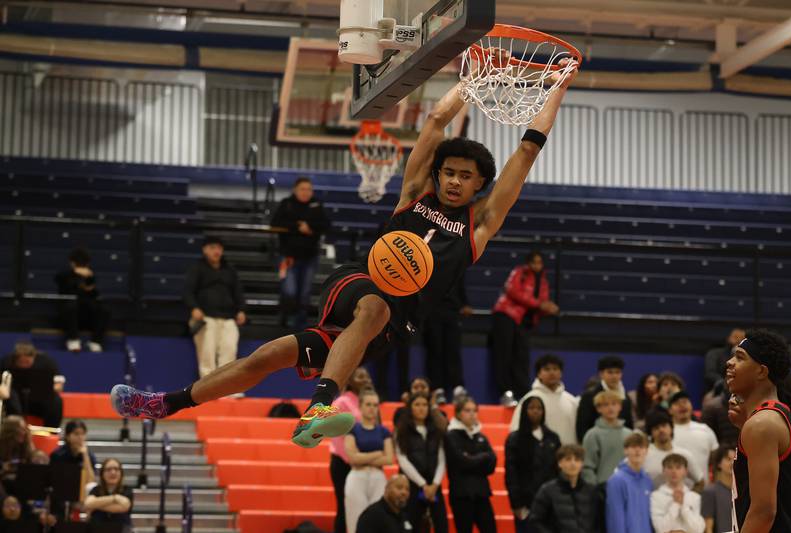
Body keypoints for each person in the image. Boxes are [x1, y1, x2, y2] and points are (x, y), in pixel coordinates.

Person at [110, 63, 580, 450]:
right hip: (358, 284)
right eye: (449, 172)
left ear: (480, 184)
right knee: (374, 305)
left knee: (266, 357)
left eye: (466, 176)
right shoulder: (414, 194)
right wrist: (472, 81)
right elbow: (436, 122)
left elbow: (526, 151)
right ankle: (321, 405)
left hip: (394, 323)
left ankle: (165, 404)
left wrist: (556, 88)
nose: (455, 181)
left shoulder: (479, 226)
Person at [724, 329, 791, 531]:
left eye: (740, 358)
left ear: (761, 371)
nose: (729, 363)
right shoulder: (778, 416)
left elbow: (763, 512)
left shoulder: (762, 424)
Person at [490, 250, 559, 406]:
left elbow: (542, 301)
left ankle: (523, 395)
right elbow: (513, 291)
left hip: (524, 323)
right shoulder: (519, 272)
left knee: (521, 359)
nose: (537, 266)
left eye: (540, 262)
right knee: (504, 355)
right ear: (528, 263)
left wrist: (548, 307)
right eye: (534, 262)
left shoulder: (543, 282)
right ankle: (506, 393)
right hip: (506, 316)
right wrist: (539, 304)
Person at [270, 176, 331, 330]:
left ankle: (300, 326)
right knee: (289, 291)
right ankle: (285, 319)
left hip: (310, 257)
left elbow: (326, 225)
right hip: (288, 256)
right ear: (295, 190)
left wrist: (310, 227)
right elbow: (275, 223)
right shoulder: (287, 204)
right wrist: (297, 226)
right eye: (303, 189)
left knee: (304, 293)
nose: (306, 192)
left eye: (309, 189)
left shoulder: (317, 205)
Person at [183, 236, 247, 379]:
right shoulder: (197, 268)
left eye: (218, 248)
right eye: (212, 248)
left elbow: (237, 291)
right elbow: (188, 291)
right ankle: (207, 391)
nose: (216, 251)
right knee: (207, 355)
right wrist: (194, 308)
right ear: (205, 250)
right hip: (206, 318)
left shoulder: (229, 270)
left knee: (230, 352)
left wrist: (241, 310)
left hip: (228, 318)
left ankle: (229, 389)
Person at [505, 395, 560, 532]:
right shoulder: (515, 439)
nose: (536, 411)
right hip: (526, 503)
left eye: (539, 408)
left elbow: (558, 469)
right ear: (524, 411)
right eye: (531, 408)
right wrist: (516, 504)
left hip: (550, 501)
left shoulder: (552, 438)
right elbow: (511, 473)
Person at [394, 393, 447, 532]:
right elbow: (402, 459)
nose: (421, 408)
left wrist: (434, 484)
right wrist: (422, 484)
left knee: (442, 525)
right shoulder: (401, 430)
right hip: (412, 485)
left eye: (424, 405)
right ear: (410, 408)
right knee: (412, 525)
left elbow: (442, 459)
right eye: (417, 405)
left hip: (434, 486)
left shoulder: (436, 430)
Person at [344, 389, 394, 533]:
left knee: (377, 522)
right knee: (355, 521)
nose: (372, 408)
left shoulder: (384, 431)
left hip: (378, 478)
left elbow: (389, 459)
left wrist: (363, 458)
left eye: (375, 405)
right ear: (360, 406)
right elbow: (352, 458)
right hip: (357, 477)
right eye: (368, 404)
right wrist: (378, 454)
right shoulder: (352, 429)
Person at [444, 396, 497, 533]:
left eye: (474, 410)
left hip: (482, 494)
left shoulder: (481, 436)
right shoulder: (451, 436)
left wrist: (473, 458)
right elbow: (462, 462)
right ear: (458, 413)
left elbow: (491, 464)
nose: (472, 414)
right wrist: (483, 457)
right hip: (462, 495)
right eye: (467, 410)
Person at [330, 367, 372, 533]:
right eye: (360, 376)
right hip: (343, 462)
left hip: (364, 462)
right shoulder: (341, 403)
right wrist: (353, 458)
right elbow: (338, 436)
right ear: (350, 380)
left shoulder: (369, 402)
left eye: (367, 376)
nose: (365, 379)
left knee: (365, 508)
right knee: (344, 506)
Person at [530, 444, 602, 533]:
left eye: (577, 460)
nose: (573, 463)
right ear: (559, 463)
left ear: (582, 464)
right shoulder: (547, 490)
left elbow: (598, 522)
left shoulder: (591, 491)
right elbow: (535, 521)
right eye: (568, 459)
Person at [510, 354, 578, 445]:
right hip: (538, 456)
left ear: (561, 373)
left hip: (567, 456)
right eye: (547, 369)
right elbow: (516, 430)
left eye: (555, 369)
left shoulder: (571, 401)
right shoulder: (528, 400)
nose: (552, 373)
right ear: (539, 374)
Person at [54, 247, 111, 352]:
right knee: (71, 305)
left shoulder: (90, 275)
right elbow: (64, 287)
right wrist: (76, 274)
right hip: (69, 317)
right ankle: (73, 340)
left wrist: (89, 281)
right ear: (72, 263)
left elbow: (94, 294)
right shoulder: (64, 275)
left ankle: (96, 342)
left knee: (104, 309)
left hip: (87, 316)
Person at [423, 277, 469, 404]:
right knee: (434, 351)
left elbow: (459, 283)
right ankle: (437, 389)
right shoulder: (428, 261)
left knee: (453, 350)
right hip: (432, 312)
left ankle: (458, 388)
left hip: (452, 311)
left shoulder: (456, 262)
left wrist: (464, 303)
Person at [0, 342, 63, 428]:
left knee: (56, 400)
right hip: (14, 404)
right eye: (21, 362)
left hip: (38, 403)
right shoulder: (6, 362)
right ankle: (17, 429)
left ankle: (51, 432)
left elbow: (59, 385)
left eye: (27, 362)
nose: (24, 365)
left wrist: (48, 389)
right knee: (11, 394)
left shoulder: (47, 362)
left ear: (34, 357)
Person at [576, 355, 634, 442]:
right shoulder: (589, 396)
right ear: (601, 374)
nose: (614, 376)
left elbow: (629, 424)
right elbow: (582, 427)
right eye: (610, 372)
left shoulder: (626, 397)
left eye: (617, 372)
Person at [581, 390, 632, 485]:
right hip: (603, 488)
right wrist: (596, 489)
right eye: (605, 405)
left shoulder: (629, 434)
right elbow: (587, 467)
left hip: (627, 486)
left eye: (614, 404)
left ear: (620, 407)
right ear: (598, 409)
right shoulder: (592, 435)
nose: (610, 408)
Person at [605, 432, 653, 533]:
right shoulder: (616, 480)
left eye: (641, 446)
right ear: (626, 450)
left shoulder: (647, 480)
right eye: (633, 446)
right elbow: (615, 518)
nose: (637, 450)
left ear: (647, 451)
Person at [643, 410, 703, 490]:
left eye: (664, 426)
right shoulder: (643, 455)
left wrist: (688, 498)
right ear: (651, 433)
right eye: (656, 428)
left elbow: (700, 481)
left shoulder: (684, 454)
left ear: (671, 428)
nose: (661, 430)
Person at [669, 391, 718, 484]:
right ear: (670, 410)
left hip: (703, 491)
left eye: (685, 402)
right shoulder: (666, 433)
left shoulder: (705, 430)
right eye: (677, 403)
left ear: (691, 406)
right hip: (673, 492)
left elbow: (716, 462)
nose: (682, 406)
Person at [650, 453, 704, 533]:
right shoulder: (656, 496)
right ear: (663, 471)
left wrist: (684, 508)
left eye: (678, 468)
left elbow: (698, 529)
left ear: (685, 471)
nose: (674, 471)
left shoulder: (695, 497)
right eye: (669, 467)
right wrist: (675, 505)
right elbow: (660, 529)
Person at [84, 458, 133, 531]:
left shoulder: (127, 490)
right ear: (102, 474)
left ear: (121, 473)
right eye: (108, 469)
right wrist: (114, 498)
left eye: (116, 469)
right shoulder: (96, 489)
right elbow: (88, 504)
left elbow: (124, 506)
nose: (113, 472)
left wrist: (96, 505)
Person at [49, 419, 96, 487]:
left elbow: (91, 482)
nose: (80, 437)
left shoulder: (89, 456)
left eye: (83, 434)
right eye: (76, 434)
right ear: (67, 436)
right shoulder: (57, 455)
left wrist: (85, 456)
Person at [701, 446, 735, 533]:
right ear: (719, 463)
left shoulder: (745, 490)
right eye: (728, 459)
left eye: (735, 459)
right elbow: (708, 528)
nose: (732, 462)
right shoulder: (710, 491)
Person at [704, 327, 746, 393]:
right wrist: (724, 383)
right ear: (728, 338)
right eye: (735, 337)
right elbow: (710, 373)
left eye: (741, 339)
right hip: (717, 392)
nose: (737, 340)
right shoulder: (715, 353)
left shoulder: (745, 357)